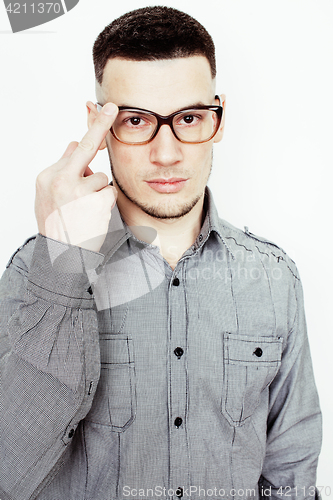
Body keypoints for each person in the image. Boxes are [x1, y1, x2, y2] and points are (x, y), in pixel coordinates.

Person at [0, 6, 322, 500]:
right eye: (135, 120)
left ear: (217, 120)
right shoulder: (35, 273)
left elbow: (291, 470)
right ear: (98, 125)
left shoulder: (274, 279)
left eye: (189, 118)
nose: (167, 153)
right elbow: (9, 470)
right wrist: (62, 267)